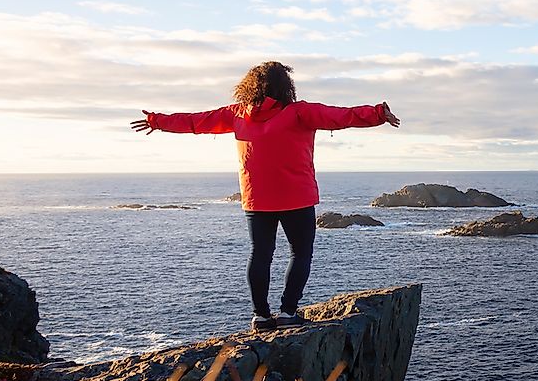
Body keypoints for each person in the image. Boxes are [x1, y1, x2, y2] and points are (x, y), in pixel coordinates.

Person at [130, 61, 400, 331]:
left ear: (249, 86)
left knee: (261, 254)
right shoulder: (298, 112)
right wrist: (377, 113)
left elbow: (195, 121)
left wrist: (158, 121)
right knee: (300, 253)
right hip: (297, 196)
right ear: (287, 86)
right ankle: (287, 312)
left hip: (257, 199)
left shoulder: (238, 114)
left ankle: (260, 316)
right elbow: (341, 116)